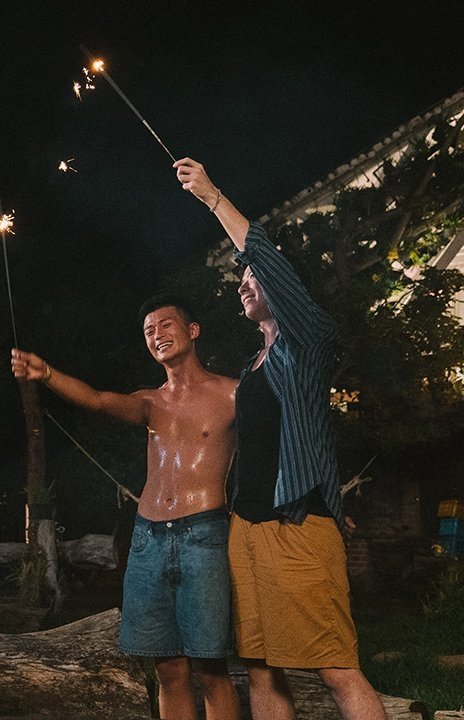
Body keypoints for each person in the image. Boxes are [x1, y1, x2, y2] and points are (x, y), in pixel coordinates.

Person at [176, 157, 387, 720]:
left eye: (252, 278)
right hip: (247, 527)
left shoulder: (308, 342)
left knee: (335, 666)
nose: (244, 284)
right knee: (261, 666)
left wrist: (213, 197)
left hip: (298, 523)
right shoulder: (253, 365)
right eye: (240, 281)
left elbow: (266, 258)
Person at [11, 297, 241, 720]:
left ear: (193, 331)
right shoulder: (150, 402)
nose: (157, 335)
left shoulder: (232, 393)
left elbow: (275, 444)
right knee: (168, 669)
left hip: (204, 535)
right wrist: (46, 374)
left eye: (166, 325)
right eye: (149, 331)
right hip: (148, 539)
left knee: (211, 668)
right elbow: (97, 400)